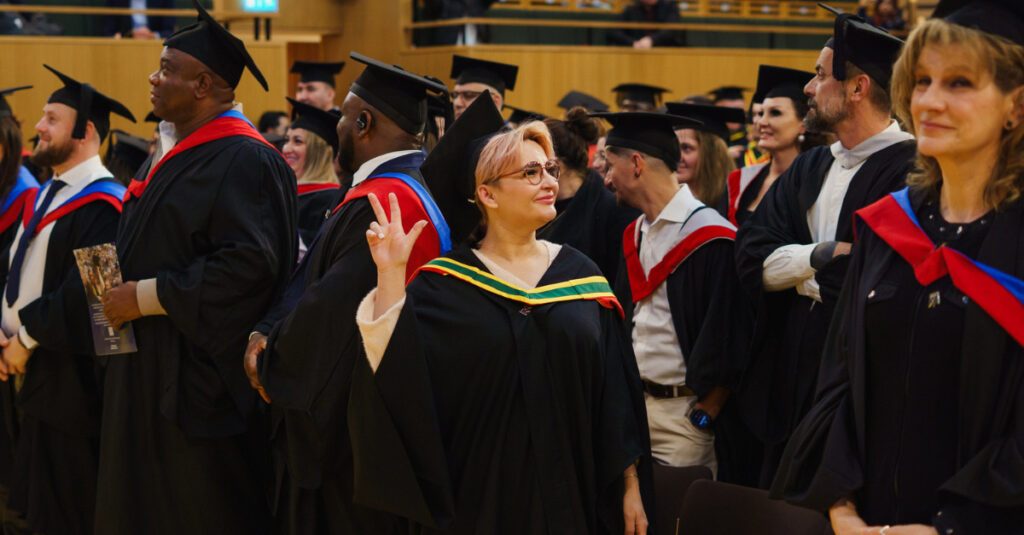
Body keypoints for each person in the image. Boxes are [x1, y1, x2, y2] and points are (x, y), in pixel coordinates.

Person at [773, 2, 1024, 532]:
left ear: (1015, 107)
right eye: (922, 80)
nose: (930, 101)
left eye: (959, 83)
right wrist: (842, 506)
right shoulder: (890, 229)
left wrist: (947, 527)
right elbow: (839, 379)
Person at [350, 118, 651, 535]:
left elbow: (615, 393)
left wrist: (630, 484)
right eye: (530, 172)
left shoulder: (582, 278)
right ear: (486, 194)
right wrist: (390, 273)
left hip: (572, 496)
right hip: (479, 499)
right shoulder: (443, 285)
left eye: (549, 168)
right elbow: (400, 385)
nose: (547, 181)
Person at [97, 1, 298, 532]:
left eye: (166, 69)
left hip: (196, 389)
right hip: (144, 370)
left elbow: (250, 267)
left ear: (204, 84)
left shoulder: (247, 159)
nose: (153, 78)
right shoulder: (169, 149)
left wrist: (142, 296)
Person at [245, 51, 450, 534]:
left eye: (342, 116)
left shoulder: (387, 200)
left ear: (362, 121)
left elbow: (332, 311)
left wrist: (270, 359)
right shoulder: (406, 189)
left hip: (352, 442)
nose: (338, 126)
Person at [734, 7, 917, 488]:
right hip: (791, 361)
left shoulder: (913, 172)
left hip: (861, 373)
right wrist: (818, 256)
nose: (809, 88)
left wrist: (797, 268)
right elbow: (751, 255)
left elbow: (875, 277)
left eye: (820, 75)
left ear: (857, 88)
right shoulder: (812, 164)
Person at [0, 65, 132, 535]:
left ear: (85, 130)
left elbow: (93, 300)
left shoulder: (106, 204)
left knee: (65, 516)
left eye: (51, 118)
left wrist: (26, 338)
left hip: (72, 393)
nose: (37, 127)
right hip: (29, 379)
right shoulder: (46, 196)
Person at [599, 111, 751, 476]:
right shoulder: (634, 233)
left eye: (609, 165)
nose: (605, 180)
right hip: (634, 411)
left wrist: (706, 411)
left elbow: (734, 337)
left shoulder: (714, 238)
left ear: (636, 164)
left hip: (684, 418)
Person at [537, 106, 636, 282]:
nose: (526, 174)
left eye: (534, 167)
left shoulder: (612, 208)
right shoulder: (536, 203)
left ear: (555, 166)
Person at [724, 65, 820, 227]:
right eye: (761, 113)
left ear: (804, 123)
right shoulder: (740, 180)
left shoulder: (818, 182)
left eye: (775, 113)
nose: (761, 122)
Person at [283, 97, 342, 245]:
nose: (286, 149)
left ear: (318, 152)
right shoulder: (284, 190)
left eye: (297, 141)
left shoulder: (331, 198)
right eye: (287, 140)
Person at [664, 102, 741, 210]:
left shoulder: (733, 207)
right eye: (674, 147)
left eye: (686, 148)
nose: (676, 156)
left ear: (712, 154)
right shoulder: (665, 203)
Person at [0, 85, 39, 254]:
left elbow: (103, 279)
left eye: (52, 119)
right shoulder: (54, 195)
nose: (40, 127)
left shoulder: (102, 202)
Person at [450, 55, 517, 121]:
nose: (457, 103)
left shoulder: (510, 132)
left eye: (468, 95)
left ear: (495, 102)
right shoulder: (446, 131)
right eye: (455, 95)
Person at [607, 0, 683, 48]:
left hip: (665, 52)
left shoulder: (670, 7)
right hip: (637, 52)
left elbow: (672, 30)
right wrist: (633, 43)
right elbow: (614, 31)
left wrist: (651, 40)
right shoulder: (632, 9)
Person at [710, 85, 751, 163]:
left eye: (737, 110)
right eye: (727, 111)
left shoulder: (753, 138)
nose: (732, 115)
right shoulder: (709, 139)